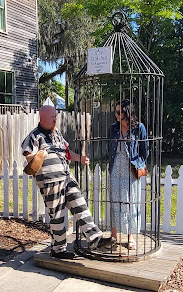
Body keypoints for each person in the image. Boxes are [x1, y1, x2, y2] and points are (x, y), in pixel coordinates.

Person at [22, 105, 113, 259]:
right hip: (49, 182)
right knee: (57, 215)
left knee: (80, 204)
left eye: (56, 117)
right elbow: (28, 156)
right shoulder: (34, 136)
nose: (55, 120)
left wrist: (80, 158)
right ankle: (58, 250)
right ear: (42, 118)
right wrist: (39, 154)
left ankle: (95, 238)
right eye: (52, 117)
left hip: (66, 178)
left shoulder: (57, 134)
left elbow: (67, 151)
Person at [108, 99, 148, 250]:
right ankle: (113, 237)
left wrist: (140, 165)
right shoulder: (113, 128)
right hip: (116, 168)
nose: (116, 115)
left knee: (131, 202)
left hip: (130, 168)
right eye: (116, 112)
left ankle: (131, 237)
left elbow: (145, 150)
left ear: (128, 113)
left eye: (119, 112)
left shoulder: (139, 128)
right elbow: (109, 148)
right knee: (115, 202)